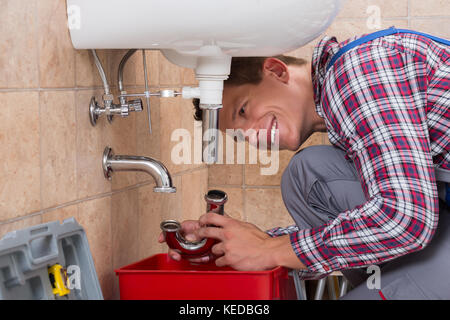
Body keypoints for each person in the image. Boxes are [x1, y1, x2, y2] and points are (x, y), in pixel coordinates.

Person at [159, 27, 450, 299]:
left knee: (309, 175)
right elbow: (396, 208)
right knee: (308, 172)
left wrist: (270, 250)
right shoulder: (343, 101)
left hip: (422, 222)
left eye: (244, 110)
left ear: (276, 71)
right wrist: (233, 247)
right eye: (239, 136)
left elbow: (406, 219)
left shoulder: (355, 70)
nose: (250, 134)